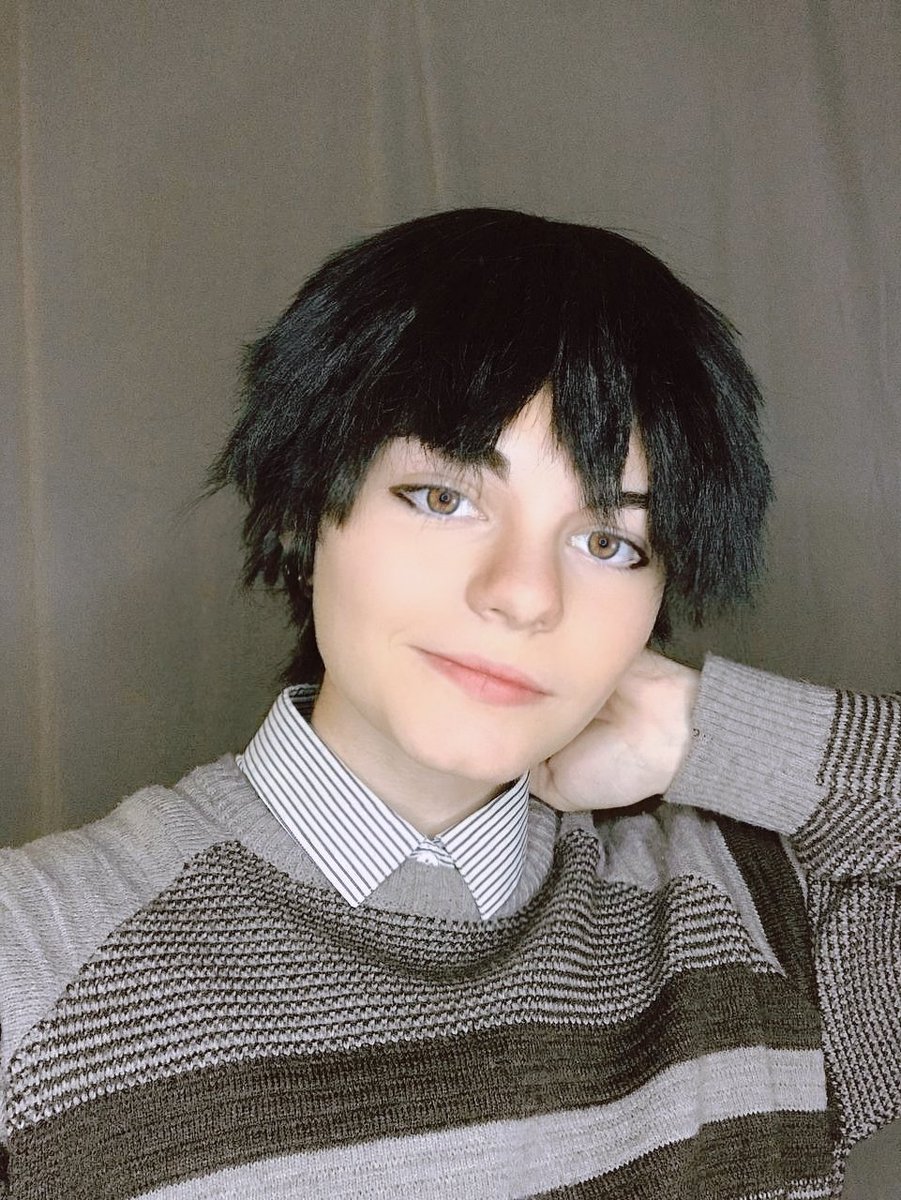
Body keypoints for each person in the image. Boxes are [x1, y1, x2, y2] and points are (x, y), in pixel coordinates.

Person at [0, 208, 898, 1200]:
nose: (522, 594)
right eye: (444, 497)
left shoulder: (756, 913)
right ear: (305, 507)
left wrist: (711, 736)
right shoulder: (33, 958)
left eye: (608, 542)